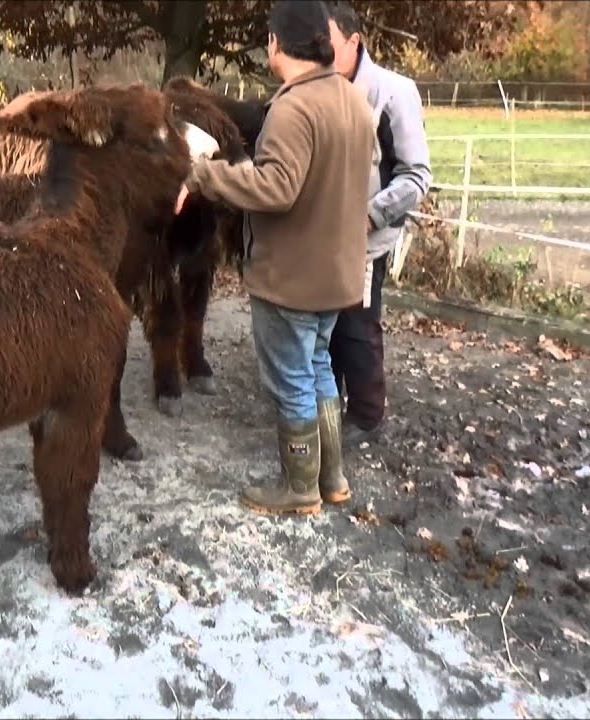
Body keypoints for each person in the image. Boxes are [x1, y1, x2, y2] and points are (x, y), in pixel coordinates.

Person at [175, 0, 375, 516]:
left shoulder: (293, 106)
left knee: (291, 380)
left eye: (268, 38)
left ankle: (299, 487)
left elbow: (276, 187)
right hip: (336, 274)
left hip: (292, 276)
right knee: (320, 370)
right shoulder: (350, 99)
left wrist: (204, 175)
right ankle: (333, 478)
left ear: (278, 43)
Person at [325, 1, 433, 446]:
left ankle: (366, 416)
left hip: (366, 236)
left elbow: (416, 174)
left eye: (325, 43)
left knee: (357, 323)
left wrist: (370, 215)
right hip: (322, 236)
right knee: (323, 323)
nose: (315, 52)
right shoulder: (316, 90)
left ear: (353, 42)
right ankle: (325, 405)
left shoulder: (392, 92)